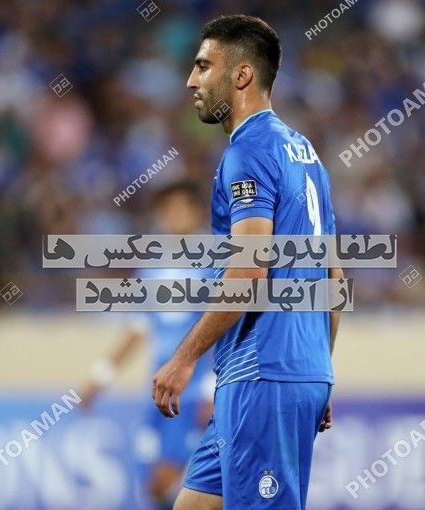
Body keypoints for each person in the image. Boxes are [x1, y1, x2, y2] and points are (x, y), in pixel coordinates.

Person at [151, 14, 343, 510]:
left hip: (263, 374)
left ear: (241, 75)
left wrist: (184, 357)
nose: (190, 80)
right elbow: (334, 278)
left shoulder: (249, 152)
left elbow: (248, 273)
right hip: (284, 371)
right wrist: (319, 369)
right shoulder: (305, 153)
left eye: (203, 66)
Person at [79, 182, 215, 510]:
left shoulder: (215, 263)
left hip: (193, 391)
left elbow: (227, 326)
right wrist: (100, 376)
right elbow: (137, 328)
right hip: (157, 390)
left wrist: (213, 389)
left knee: (171, 480)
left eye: (181, 207)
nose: (173, 215)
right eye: (167, 209)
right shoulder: (152, 268)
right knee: (151, 485)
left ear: (196, 213)